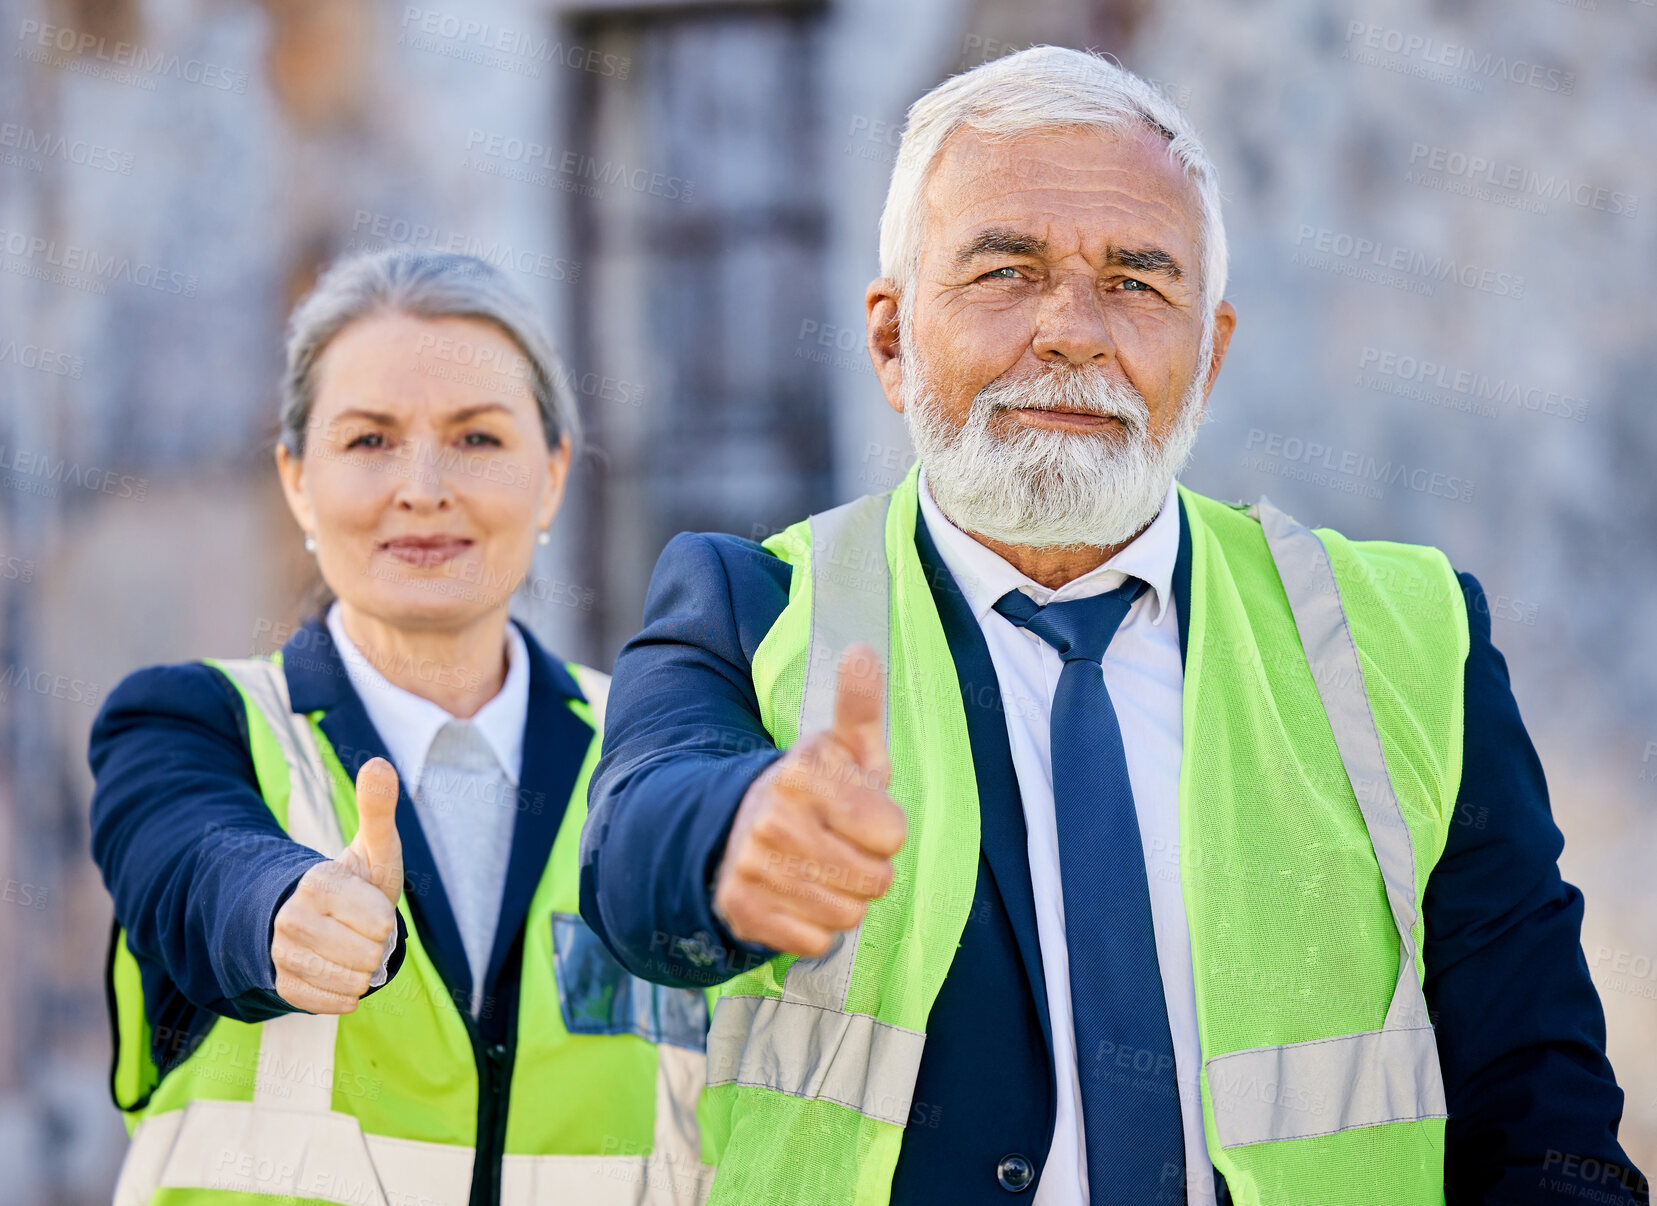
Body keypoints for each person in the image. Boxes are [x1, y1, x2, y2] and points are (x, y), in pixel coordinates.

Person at [577, 46, 1649, 1206]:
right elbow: (633, 854)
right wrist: (735, 839)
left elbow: (1541, 1111)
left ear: (1210, 353)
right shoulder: (750, 605)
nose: (1073, 331)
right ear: (889, 339)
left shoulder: (1409, 635)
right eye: (1005, 270)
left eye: (1137, 282)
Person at [90, 249, 712, 1206]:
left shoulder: (649, 750)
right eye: (369, 441)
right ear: (297, 478)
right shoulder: (188, 722)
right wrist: (284, 910)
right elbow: (192, 862)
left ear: (550, 476)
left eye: (476, 439)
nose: (421, 487)